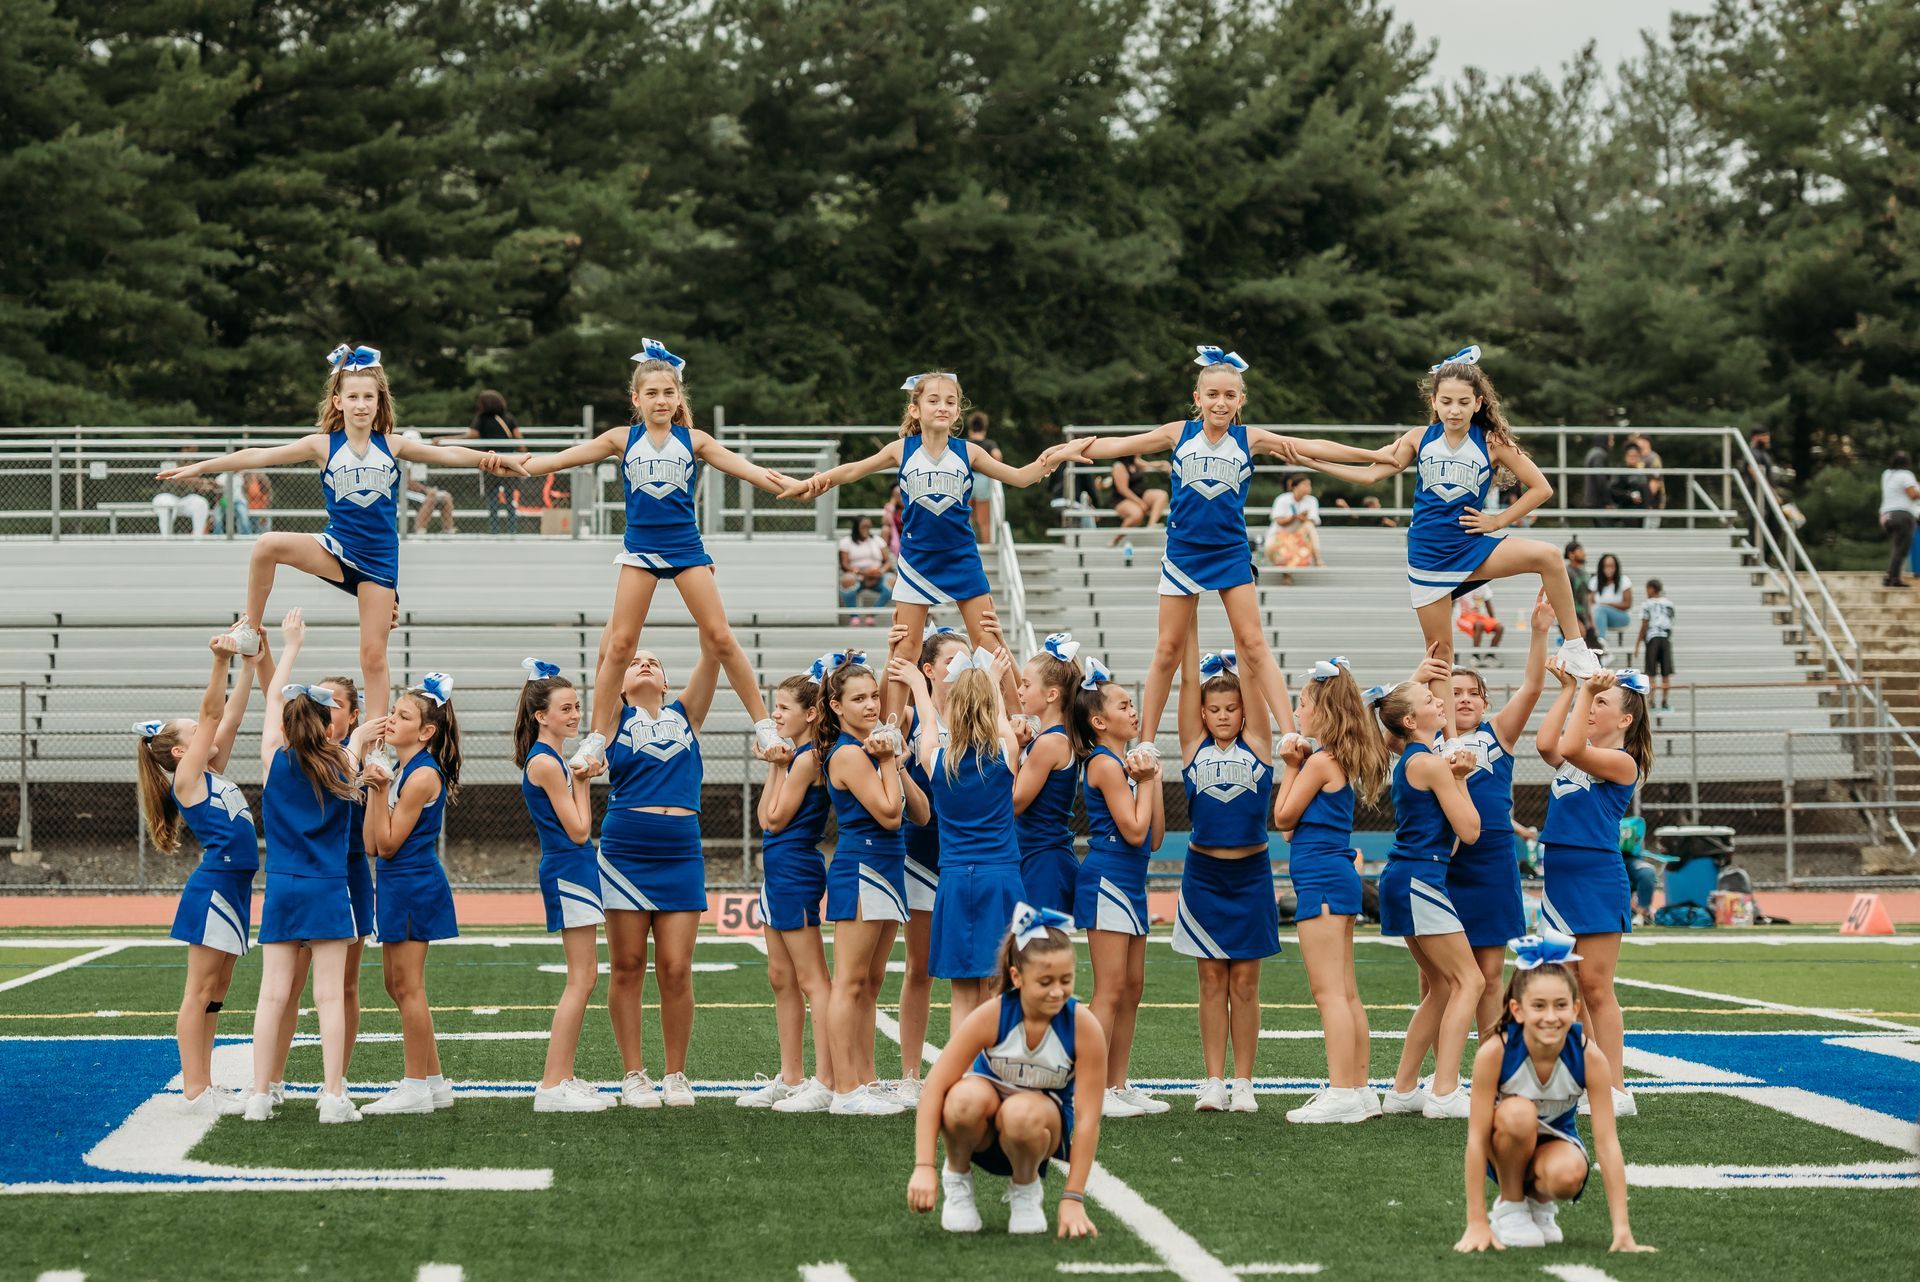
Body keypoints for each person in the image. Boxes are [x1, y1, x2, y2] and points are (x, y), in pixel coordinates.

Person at [155, 345, 526, 715]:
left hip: (379, 562)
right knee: (266, 545)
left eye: (369, 396)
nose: (361, 404)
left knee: (373, 657)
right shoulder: (322, 445)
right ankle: (250, 630)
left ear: (380, 402)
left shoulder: (393, 445)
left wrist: (491, 459)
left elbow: (450, 454)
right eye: (353, 396)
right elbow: (256, 455)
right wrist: (200, 467)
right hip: (335, 547)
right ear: (338, 401)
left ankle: (376, 746)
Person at [1065, 345, 1371, 768]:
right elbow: (1122, 444)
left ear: (1240, 400)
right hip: (1183, 553)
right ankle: (1148, 741)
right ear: (1198, 397)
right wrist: (1070, 450)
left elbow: (1311, 445)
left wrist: (1372, 455)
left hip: (1229, 552)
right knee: (1168, 649)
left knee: (1253, 644)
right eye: (1212, 395)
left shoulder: (1250, 439)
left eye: (1230, 395)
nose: (1220, 402)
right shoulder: (1178, 433)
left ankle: (1290, 734)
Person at [517, 340, 793, 772]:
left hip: (686, 549)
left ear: (679, 397)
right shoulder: (621, 439)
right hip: (640, 552)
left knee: (720, 637)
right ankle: (594, 739)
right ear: (636, 399)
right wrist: (515, 465)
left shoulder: (695, 440)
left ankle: (763, 726)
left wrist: (791, 485)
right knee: (621, 644)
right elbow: (560, 460)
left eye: (668, 392)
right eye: (652, 393)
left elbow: (749, 470)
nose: (661, 400)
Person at [1293, 346, 1602, 695]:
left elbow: (1541, 488)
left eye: (1463, 402)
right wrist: (1312, 462)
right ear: (1435, 402)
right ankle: (1449, 737)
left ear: (1479, 403)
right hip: (1428, 554)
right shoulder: (1418, 438)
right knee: (1440, 654)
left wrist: (1497, 521)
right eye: (1447, 401)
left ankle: (1575, 647)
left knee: (1547, 556)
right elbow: (1368, 476)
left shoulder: (1491, 442)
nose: (1454, 410)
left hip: (1470, 544)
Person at [784, 371, 1076, 725]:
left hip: (961, 558)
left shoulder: (969, 451)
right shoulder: (901, 450)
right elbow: (853, 470)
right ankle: (891, 730)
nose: (942, 407)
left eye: (950, 402)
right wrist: (815, 482)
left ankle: (1020, 721)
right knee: (906, 647)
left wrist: (1056, 457)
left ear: (958, 413)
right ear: (916, 409)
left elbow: (1020, 476)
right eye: (933, 400)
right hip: (917, 561)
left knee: (988, 641)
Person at [136, 624, 269, 1116]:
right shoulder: (188, 778)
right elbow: (212, 712)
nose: (204, 731)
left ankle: (205, 1083)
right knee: (199, 992)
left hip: (235, 891)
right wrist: (220, 659)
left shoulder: (211, 771)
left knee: (217, 993)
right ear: (179, 753)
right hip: (213, 890)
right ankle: (195, 1088)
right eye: (193, 733)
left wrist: (251, 667)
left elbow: (227, 718)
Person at [907, 908, 1105, 1238]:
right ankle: (957, 1177)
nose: (1057, 991)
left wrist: (1073, 1198)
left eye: (1066, 980)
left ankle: (1026, 1188)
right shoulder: (993, 1015)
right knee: (963, 1098)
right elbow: (935, 1086)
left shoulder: (1083, 1027)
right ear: (1016, 977)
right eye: (1045, 982)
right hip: (980, 1131)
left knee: (1020, 1111)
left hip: (1035, 1132)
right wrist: (924, 1166)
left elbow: (1087, 1119)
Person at [244, 609, 367, 1123]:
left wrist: (289, 646)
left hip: (282, 887)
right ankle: (333, 1095)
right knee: (329, 998)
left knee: (272, 995)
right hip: (328, 887)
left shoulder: (275, 757)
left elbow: (272, 701)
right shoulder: (344, 761)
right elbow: (358, 746)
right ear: (326, 723)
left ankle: (258, 1094)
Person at [1455, 933, 1652, 1254]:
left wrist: (1622, 1230)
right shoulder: (1496, 1052)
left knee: (1568, 1175)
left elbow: (1607, 1143)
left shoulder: (1590, 1057)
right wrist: (1476, 1222)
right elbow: (1477, 1139)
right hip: (1503, 1144)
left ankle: (1540, 1204)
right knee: (1519, 1113)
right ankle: (1511, 1203)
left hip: (1555, 1146)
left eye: (1561, 1005)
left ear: (1575, 1009)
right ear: (1517, 1010)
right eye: (1539, 1006)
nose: (1550, 1016)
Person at [598, 646, 721, 1110]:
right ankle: (634, 1074)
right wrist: (622, 646)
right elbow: (612, 656)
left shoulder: (686, 713)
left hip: (681, 851)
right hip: (627, 851)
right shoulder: (611, 718)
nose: (644, 664)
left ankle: (676, 1074)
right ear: (622, 684)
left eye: (654, 662)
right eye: (636, 663)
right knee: (627, 966)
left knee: (675, 968)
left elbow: (712, 654)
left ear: (667, 683)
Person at [1270, 655, 1392, 1123]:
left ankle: (1343, 1091)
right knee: (1345, 992)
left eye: (1303, 704)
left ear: (1323, 711)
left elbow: (1282, 819)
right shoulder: (1330, 759)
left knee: (1330, 994)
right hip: (1332, 875)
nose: (1298, 713)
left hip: (1321, 879)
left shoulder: (1320, 761)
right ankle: (1359, 1090)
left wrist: (1289, 766)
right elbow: (1289, 828)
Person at [1535, 667, 1653, 1118]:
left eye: (1603, 702)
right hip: (1560, 881)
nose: (1594, 705)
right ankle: (1578, 1076)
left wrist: (1586, 688)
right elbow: (1548, 744)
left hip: (1597, 880)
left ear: (1625, 720)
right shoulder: (1577, 755)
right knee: (1562, 987)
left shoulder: (1622, 762)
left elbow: (1565, 746)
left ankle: (1617, 1088)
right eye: (1595, 699)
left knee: (1596, 987)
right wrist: (1569, 689)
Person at [895, 646, 1029, 1034]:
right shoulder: (1005, 753)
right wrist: (992, 679)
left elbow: (928, 722)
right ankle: (996, 1074)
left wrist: (920, 686)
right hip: (1001, 877)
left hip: (955, 880)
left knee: (962, 993)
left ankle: (963, 1080)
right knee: (1000, 985)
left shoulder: (936, 757)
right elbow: (1002, 718)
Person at [261, 673, 378, 1106]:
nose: (327, 711)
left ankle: (335, 1081)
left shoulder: (356, 757)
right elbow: (274, 699)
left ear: (351, 714)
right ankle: (274, 1080)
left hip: (344, 877)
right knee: (290, 987)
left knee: (342, 988)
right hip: (320, 878)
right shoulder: (339, 757)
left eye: (335, 704)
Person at [1173, 641, 1276, 1114]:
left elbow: (1254, 682)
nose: (1222, 715)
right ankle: (1213, 1080)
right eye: (1213, 709)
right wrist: (1188, 613)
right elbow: (1189, 681)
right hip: (1204, 875)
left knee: (1246, 985)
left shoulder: (1259, 746)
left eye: (1231, 708)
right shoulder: (1192, 747)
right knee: (1211, 982)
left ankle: (1244, 1082)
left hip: (1251, 875)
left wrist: (1243, 627)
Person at [1373, 678, 1483, 1119]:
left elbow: (1453, 840)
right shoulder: (1430, 764)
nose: (1442, 702)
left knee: (1441, 987)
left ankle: (1403, 1090)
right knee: (1470, 981)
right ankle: (1444, 1091)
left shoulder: (1416, 760)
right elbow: (1471, 832)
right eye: (1429, 700)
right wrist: (1462, 778)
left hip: (1409, 877)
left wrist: (1453, 776)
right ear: (1410, 720)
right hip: (1420, 878)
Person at [819, 653, 923, 1115]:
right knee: (849, 981)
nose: (870, 704)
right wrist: (885, 761)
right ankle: (845, 1089)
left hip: (889, 868)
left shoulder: (878, 748)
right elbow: (889, 813)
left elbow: (923, 813)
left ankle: (866, 1077)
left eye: (874, 696)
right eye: (858, 698)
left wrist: (897, 762)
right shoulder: (845, 752)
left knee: (871, 982)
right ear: (837, 707)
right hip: (861, 867)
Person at [1448, 596, 1555, 1037]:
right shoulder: (1425, 737)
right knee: (1440, 980)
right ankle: (1441, 1077)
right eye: (1455, 693)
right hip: (1443, 862)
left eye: (1474, 693)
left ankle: (1490, 1065)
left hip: (1491, 862)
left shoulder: (1498, 733)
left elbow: (1531, 687)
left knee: (1491, 976)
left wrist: (1539, 631)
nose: (1466, 699)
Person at [358, 672, 462, 1117]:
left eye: (402, 716)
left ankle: (415, 1085)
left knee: (409, 986)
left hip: (414, 882)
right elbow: (368, 844)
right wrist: (375, 788)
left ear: (426, 731)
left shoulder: (420, 775)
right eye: (393, 713)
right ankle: (434, 1083)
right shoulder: (402, 769)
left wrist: (378, 790)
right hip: (396, 884)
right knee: (395, 985)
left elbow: (386, 845)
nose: (391, 720)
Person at [1070, 657, 1167, 1118]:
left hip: (1131, 880)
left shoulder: (1126, 765)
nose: (1134, 712)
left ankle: (1118, 1083)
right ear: (1099, 721)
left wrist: (1155, 781)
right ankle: (1093, 1089)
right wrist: (1143, 783)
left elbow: (1155, 837)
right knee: (1108, 990)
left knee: (1132, 988)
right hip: (1108, 878)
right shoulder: (1105, 764)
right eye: (1125, 705)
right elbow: (1132, 831)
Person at [515, 659, 611, 1112]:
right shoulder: (547, 762)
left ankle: (564, 1077)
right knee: (582, 978)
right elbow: (577, 830)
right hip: (568, 867)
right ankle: (553, 1085)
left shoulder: (550, 757)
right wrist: (583, 781)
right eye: (567, 709)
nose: (575, 715)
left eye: (577, 707)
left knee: (584, 977)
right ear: (541, 716)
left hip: (573, 868)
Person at [891, 624, 973, 1102]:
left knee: (979, 970)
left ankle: (976, 1068)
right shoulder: (909, 715)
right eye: (951, 661)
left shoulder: (980, 712)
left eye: (967, 661)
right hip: (923, 851)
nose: (961, 669)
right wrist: (895, 653)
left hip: (972, 856)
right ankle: (908, 1074)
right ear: (928, 669)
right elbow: (883, 708)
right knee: (919, 967)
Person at [752, 666, 836, 1114]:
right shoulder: (795, 758)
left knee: (812, 980)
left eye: (783, 708)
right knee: (781, 978)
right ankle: (790, 1077)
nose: (775, 715)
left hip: (795, 868)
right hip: (779, 870)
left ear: (811, 714)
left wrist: (779, 767)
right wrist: (776, 767)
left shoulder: (807, 759)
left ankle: (825, 1080)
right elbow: (768, 815)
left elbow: (773, 818)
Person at [1013, 633, 1082, 913]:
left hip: (1043, 860)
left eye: (1026, 685)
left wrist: (1014, 750)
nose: (1020, 691)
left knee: (1041, 952)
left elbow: (1014, 802)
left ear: (1052, 694)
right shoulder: (1050, 737)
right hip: (1038, 855)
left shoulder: (1050, 742)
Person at [435, 390, 524, 533]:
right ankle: (512, 532)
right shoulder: (509, 418)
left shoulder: (481, 419)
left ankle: (494, 531)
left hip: (490, 463)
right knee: (510, 499)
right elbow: (519, 439)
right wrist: (523, 456)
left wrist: (445, 439)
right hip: (509, 462)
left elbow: (470, 436)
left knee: (492, 499)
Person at [1263, 473, 1324, 581]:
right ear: (1295, 486)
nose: (1308, 488)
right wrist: (1294, 518)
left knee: (1309, 526)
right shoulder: (1282, 499)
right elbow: (1278, 521)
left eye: (1309, 485)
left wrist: (1302, 518)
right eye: (1305, 485)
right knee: (1271, 548)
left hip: (1299, 535)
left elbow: (1312, 521)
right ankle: (1286, 573)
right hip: (1280, 533)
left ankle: (1317, 558)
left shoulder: (1312, 500)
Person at [152, 442, 220, 537]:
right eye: (192, 451)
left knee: (201, 502)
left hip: (185, 499)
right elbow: (174, 479)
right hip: (166, 495)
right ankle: (166, 538)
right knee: (168, 504)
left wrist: (208, 484)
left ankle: (197, 537)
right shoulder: (170, 461)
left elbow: (195, 483)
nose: (195, 454)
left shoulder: (193, 464)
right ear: (184, 449)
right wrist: (202, 482)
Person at [838, 515, 895, 624]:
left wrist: (881, 571)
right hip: (858, 575)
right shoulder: (846, 542)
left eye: (868, 527)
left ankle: (871, 614)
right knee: (846, 579)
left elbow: (888, 561)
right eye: (863, 527)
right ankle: (854, 617)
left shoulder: (877, 540)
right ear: (856, 527)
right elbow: (844, 564)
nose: (866, 529)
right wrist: (861, 572)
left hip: (878, 575)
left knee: (892, 580)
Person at [401, 430, 458, 534]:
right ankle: (420, 531)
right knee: (431, 496)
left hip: (418, 492)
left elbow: (431, 454)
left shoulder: (419, 455)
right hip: (403, 492)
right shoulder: (404, 458)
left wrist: (434, 446)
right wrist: (427, 490)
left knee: (446, 497)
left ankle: (448, 530)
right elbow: (407, 482)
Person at [1107, 455, 1170, 544]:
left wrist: (1163, 464)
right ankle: (1116, 538)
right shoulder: (1119, 466)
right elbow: (1123, 490)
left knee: (1161, 495)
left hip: (1140, 494)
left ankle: (1151, 526)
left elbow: (1149, 465)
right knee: (1136, 514)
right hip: (1122, 499)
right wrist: (1140, 503)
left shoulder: (1135, 461)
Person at [1634, 579, 1676, 712]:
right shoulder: (1669, 604)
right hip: (1665, 638)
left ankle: (1651, 700)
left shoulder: (1647, 604)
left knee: (1650, 672)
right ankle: (1664, 701)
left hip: (1652, 638)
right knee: (1665, 673)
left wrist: (1638, 644)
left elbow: (1645, 624)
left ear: (1652, 589)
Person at [1879, 450, 1918, 589]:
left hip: (1885, 515)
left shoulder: (1886, 474)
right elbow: (1913, 495)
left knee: (1897, 546)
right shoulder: (1906, 475)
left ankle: (1891, 575)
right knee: (1902, 548)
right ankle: (1893, 577)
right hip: (1902, 515)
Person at [965, 410, 1004, 544]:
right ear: (984, 428)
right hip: (983, 479)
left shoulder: (967, 443)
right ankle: (987, 545)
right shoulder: (989, 443)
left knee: (966, 517)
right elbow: (997, 455)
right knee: (984, 521)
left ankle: (966, 545)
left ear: (971, 428)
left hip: (967, 480)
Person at [1453, 583, 1504, 660]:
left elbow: (1488, 604)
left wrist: (1493, 621)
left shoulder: (1483, 585)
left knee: (1499, 627)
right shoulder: (1462, 584)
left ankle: (1490, 655)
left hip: (1478, 616)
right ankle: (1475, 655)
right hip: (1464, 616)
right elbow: (1452, 602)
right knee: (1479, 625)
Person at [1590, 554, 1633, 642]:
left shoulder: (1624, 580)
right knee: (1596, 612)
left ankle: (1601, 641)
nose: (1609, 569)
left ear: (1616, 567)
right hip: (1598, 618)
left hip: (1620, 616)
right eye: (1606, 566)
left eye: (1611, 566)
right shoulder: (1594, 581)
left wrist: (1607, 605)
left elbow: (1627, 604)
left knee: (1600, 610)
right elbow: (1589, 602)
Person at [1631, 435, 1665, 530]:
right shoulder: (1640, 458)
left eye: (1638, 440)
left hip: (1652, 504)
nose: (1636, 443)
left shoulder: (1653, 458)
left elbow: (1655, 483)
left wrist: (1646, 501)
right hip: (1642, 504)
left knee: (1650, 533)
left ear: (1646, 441)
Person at [1580, 434, 1615, 518]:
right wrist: (1607, 501)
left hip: (1593, 499)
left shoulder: (1593, 452)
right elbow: (1601, 479)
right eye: (1611, 440)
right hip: (1598, 500)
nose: (1612, 443)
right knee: (1605, 528)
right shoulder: (1599, 454)